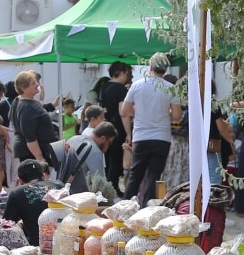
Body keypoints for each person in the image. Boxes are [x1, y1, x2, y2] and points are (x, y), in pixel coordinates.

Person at [122, 53, 182, 206]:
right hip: (162, 137)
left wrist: (140, 110)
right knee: (154, 176)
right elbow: (176, 115)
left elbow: (125, 111)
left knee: (136, 174)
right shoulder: (171, 88)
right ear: (166, 70)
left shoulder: (137, 85)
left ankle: (124, 208)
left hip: (141, 135)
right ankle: (147, 209)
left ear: (150, 67)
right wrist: (164, 112)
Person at [2, 160, 60, 245]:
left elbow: (6, 225)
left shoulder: (17, 193)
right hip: (64, 243)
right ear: (43, 176)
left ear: (20, 181)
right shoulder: (60, 186)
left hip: (36, 246)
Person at [58, 121, 118, 201]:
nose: (108, 147)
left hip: (59, 186)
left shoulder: (73, 138)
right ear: (103, 138)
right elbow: (100, 184)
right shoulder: (95, 151)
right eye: (109, 143)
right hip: (75, 196)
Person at [11, 70, 57, 171]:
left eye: (36, 82)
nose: (37, 85)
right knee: (34, 182)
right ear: (23, 88)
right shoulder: (27, 106)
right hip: (31, 153)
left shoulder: (21, 101)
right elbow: (29, 135)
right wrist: (39, 159)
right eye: (33, 83)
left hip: (32, 150)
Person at [99, 63, 133, 195]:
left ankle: (108, 186)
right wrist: (128, 132)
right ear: (121, 72)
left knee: (108, 158)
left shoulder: (105, 87)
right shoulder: (121, 89)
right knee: (116, 158)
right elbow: (122, 112)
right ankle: (112, 187)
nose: (128, 76)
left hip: (106, 126)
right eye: (127, 73)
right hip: (118, 127)